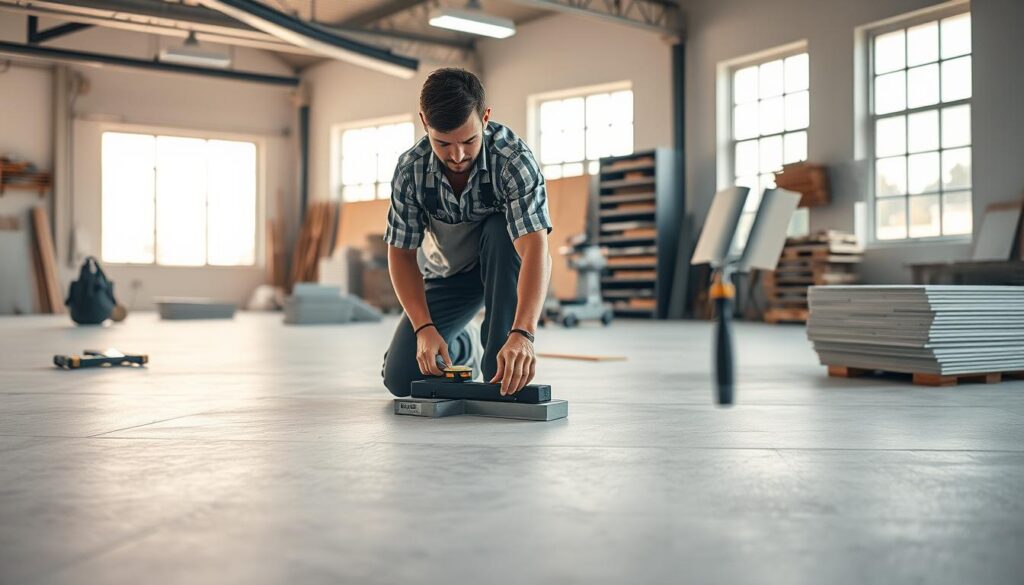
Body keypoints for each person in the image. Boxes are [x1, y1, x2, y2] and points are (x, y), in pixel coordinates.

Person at [381, 67, 552, 398]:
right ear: (424, 122)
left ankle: (495, 350)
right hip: (449, 276)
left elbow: (535, 247)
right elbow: (401, 253)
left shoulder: (514, 160)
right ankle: (460, 341)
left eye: (469, 140)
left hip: (504, 268)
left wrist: (523, 334)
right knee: (402, 380)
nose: (457, 156)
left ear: (485, 118)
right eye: (442, 143)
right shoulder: (410, 170)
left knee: (500, 379)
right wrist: (424, 328)